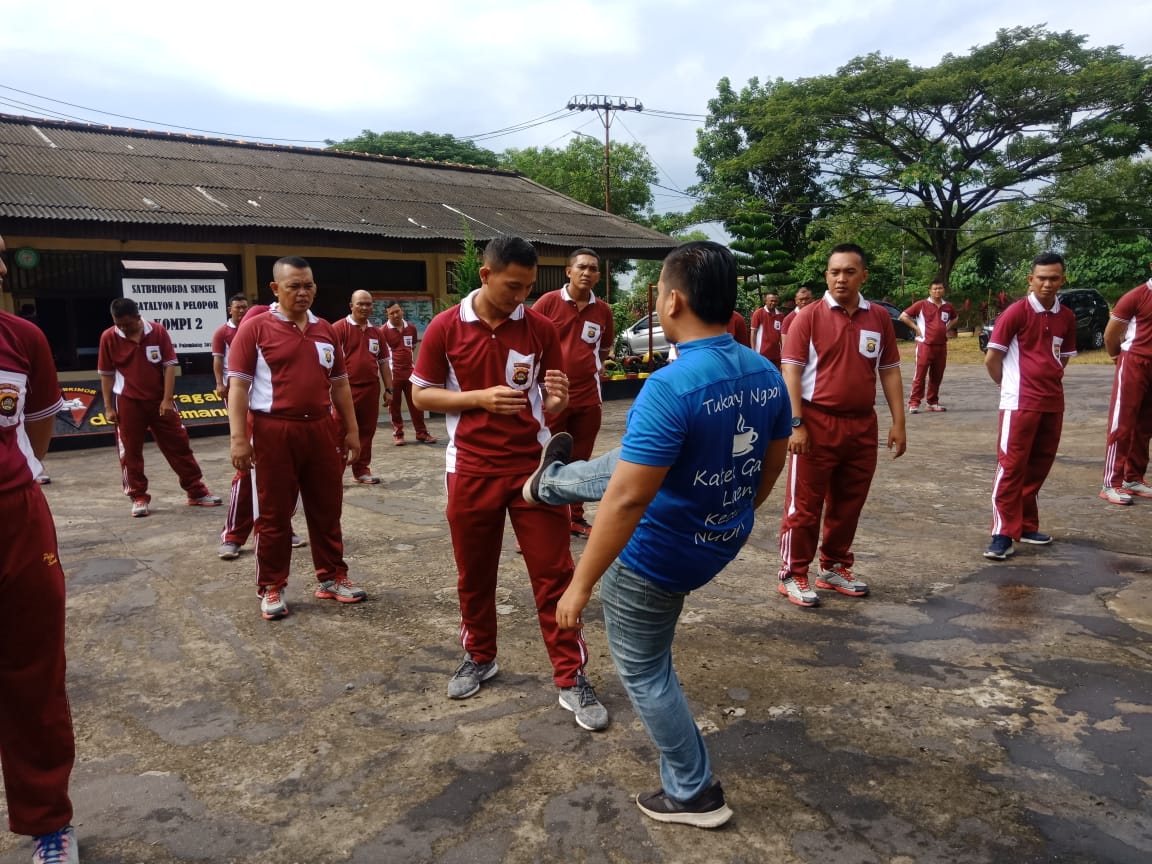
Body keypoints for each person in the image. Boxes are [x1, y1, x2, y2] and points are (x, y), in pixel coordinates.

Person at [546, 240, 790, 828]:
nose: (656, 300)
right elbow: (771, 463)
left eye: (657, 291)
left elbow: (629, 500)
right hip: (718, 537)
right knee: (624, 461)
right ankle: (548, 481)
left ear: (673, 300)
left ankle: (693, 791)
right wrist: (732, 511)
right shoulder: (764, 371)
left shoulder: (669, 385)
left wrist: (580, 585)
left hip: (658, 555)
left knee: (646, 670)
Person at [410, 235, 608, 731]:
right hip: (471, 467)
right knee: (474, 573)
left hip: (532, 471)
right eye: (511, 286)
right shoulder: (445, 327)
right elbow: (422, 397)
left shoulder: (540, 327)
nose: (520, 296)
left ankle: (571, 675)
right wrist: (477, 399)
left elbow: (550, 399)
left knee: (553, 573)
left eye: (526, 287)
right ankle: (480, 656)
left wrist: (558, 401)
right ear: (485, 275)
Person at [227, 257, 366, 620]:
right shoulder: (255, 329)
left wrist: (350, 430)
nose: (303, 293)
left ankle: (332, 577)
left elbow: (340, 385)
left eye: (309, 285)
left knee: (326, 507)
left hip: (320, 428)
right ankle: (272, 585)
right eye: (294, 286)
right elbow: (238, 387)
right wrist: (239, 438)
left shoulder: (326, 330)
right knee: (273, 513)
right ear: (276, 288)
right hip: (274, 430)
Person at [0, 235, 81, 863]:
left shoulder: (23, 339)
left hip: (16, 517)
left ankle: (48, 822)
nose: (2, 265)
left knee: (32, 674)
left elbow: (38, 427)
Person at [777, 244, 906, 607]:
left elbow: (889, 370)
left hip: (862, 425)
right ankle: (793, 574)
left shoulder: (878, 317)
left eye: (849, 272)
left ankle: (833, 566)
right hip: (816, 424)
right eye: (834, 272)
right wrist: (795, 423)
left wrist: (899, 422)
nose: (841, 278)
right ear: (826, 276)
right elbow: (791, 371)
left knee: (849, 502)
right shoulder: (809, 317)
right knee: (804, 505)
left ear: (863, 275)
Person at [983, 252, 1077, 560]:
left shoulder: (1066, 316)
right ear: (1031, 280)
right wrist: (1008, 386)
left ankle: (1024, 525)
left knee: (1039, 464)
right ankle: (1001, 533)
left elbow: (1062, 357)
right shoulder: (1015, 313)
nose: (1047, 284)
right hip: (1019, 403)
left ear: (1062, 279)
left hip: (1052, 402)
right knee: (1011, 466)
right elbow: (992, 358)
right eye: (1042, 278)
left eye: (1054, 278)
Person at [97, 298, 220, 517]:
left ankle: (196, 491)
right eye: (119, 324)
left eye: (127, 324)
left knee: (178, 444)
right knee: (130, 451)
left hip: (159, 400)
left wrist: (166, 399)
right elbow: (106, 375)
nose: (123, 328)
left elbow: (170, 366)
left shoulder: (157, 331)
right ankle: (138, 496)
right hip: (127, 402)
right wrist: (108, 407)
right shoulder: (109, 337)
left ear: (137, 317)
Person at [530, 247, 615, 537]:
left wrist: (589, 369)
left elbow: (603, 350)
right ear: (568, 271)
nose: (587, 273)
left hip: (588, 397)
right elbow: (529, 342)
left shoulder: (602, 310)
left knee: (580, 459)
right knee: (547, 458)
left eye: (592, 269)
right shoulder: (547, 303)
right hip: (551, 397)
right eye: (581, 267)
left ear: (598, 276)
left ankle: (575, 518)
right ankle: (542, 523)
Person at [216, 303, 305, 559]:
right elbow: (239, 383)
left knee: (290, 479)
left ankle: (282, 528)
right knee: (247, 477)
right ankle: (233, 535)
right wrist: (239, 435)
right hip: (259, 415)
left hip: (293, 419)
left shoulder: (305, 321)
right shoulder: (258, 316)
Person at [1100, 270, 1152, 505]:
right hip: (1134, 362)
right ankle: (1111, 483)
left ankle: (1134, 478)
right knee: (1122, 423)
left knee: (1145, 425)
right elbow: (1111, 334)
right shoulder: (1137, 296)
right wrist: (1116, 358)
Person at [331, 290, 394, 484]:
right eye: (360, 304)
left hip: (370, 389)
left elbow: (384, 362)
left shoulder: (377, 332)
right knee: (340, 431)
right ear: (351, 306)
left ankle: (361, 470)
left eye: (368, 304)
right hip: (346, 390)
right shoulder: (339, 329)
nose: (365, 308)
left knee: (367, 431)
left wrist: (389, 389)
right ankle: (335, 473)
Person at [382, 302, 437, 446]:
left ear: (402, 311)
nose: (395, 315)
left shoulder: (411, 328)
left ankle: (421, 432)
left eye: (397, 311)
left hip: (410, 373)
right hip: (393, 373)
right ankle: (398, 434)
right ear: (387, 315)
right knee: (394, 405)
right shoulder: (383, 331)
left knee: (416, 403)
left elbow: (411, 348)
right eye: (391, 313)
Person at [900, 281, 958, 412]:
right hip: (924, 345)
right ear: (930, 291)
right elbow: (903, 316)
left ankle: (932, 402)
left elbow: (955, 318)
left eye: (940, 288)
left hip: (941, 345)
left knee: (937, 374)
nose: (938, 291)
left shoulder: (948, 306)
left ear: (944, 290)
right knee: (920, 375)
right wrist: (916, 328)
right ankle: (914, 403)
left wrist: (947, 327)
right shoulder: (921, 305)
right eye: (935, 289)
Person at [211, 293, 250, 398]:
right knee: (236, 414)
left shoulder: (253, 328)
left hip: (253, 381)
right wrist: (219, 384)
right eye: (238, 307)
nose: (241, 310)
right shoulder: (222, 332)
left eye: (244, 307)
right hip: (232, 382)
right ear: (230, 310)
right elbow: (218, 359)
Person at [750, 289, 785, 368]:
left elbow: (781, 335)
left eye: (775, 301)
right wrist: (753, 351)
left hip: (776, 354)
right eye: (771, 301)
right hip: (762, 353)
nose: (773, 303)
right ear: (765, 301)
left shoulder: (780, 315)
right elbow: (753, 333)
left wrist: (783, 350)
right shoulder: (758, 313)